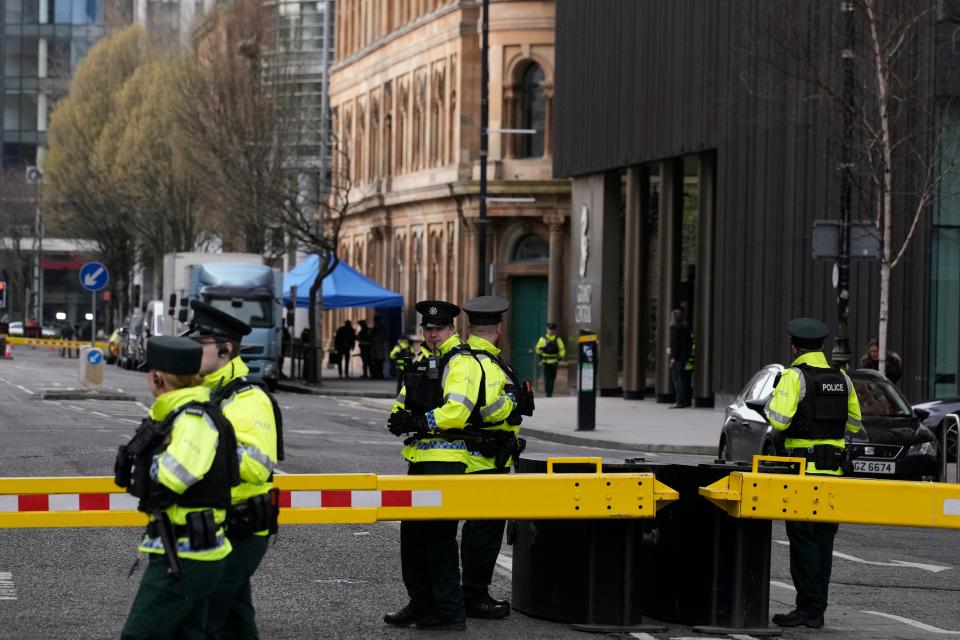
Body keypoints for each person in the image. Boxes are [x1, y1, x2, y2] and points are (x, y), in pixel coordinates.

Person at [116, 336, 238, 639]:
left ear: (158, 377)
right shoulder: (177, 413)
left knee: (138, 635)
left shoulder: (192, 418)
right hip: (187, 552)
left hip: (186, 556)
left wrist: (155, 456)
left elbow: (177, 475)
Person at [183, 300, 281, 640]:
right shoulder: (209, 393)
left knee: (206, 619)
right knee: (236, 620)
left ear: (225, 349)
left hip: (241, 527)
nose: (193, 351)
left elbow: (256, 467)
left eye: (201, 344)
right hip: (219, 525)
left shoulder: (248, 400)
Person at [384, 300, 483, 631]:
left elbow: (457, 411)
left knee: (439, 538)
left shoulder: (462, 363)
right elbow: (404, 399)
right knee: (413, 538)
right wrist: (399, 417)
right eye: (427, 329)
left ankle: (450, 610)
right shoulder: (424, 360)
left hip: (447, 460)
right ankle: (421, 602)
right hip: (420, 458)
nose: (432, 334)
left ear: (452, 329)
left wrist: (420, 421)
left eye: (438, 329)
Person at [764, 317, 862, 629]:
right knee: (823, 540)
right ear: (822, 346)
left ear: (794, 347)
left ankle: (806, 608)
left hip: (804, 473)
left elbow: (778, 420)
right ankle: (817, 609)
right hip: (833, 472)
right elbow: (855, 424)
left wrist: (770, 403)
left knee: (802, 540)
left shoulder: (794, 376)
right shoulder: (842, 378)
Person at [460, 296, 532, 620]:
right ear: (499, 328)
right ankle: (475, 596)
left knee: (480, 531)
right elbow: (487, 411)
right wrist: (513, 400)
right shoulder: (485, 363)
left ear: (469, 326)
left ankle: (470, 593)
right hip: (484, 461)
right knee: (484, 533)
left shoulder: (479, 358)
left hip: (487, 458)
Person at [668, 309, 693, 408]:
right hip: (685, 358)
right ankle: (686, 400)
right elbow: (689, 344)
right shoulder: (686, 329)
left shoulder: (675, 329)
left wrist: (672, 358)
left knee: (677, 380)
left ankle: (679, 401)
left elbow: (675, 345)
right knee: (684, 379)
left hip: (678, 359)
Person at [534, 323, 566, 397]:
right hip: (546, 362)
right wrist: (541, 353)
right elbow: (537, 349)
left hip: (554, 362)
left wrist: (561, 356)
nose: (551, 331)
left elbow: (562, 349)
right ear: (547, 330)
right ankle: (548, 393)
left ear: (554, 330)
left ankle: (550, 392)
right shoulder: (543, 339)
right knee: (547, 378)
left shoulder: (557, 339)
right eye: (549, 329)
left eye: (552, 329)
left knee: (552, 378)